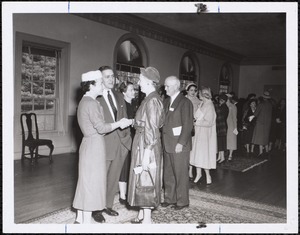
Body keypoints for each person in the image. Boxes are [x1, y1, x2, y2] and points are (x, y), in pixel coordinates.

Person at [72, 70, 131, 224]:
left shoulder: (85, 101)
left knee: (88, 184)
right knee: (92, 185)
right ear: (91, 86)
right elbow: (101, 128)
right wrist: (120, 123)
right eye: (99, 83)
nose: (102, 86)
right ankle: (85, 222)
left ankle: (82, 220)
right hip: (94, 147)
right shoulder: (91, 103)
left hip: (90, 145)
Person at [93, 66, 132, 222]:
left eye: (112, 76)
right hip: (103, 144)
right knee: (100, 178)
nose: (110, 79)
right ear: (100, 79)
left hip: (120, 144)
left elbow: (123, 117)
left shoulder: (118, 96)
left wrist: (126, 141)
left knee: (114, 177)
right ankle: (96, 208)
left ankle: (107, 205)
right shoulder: (95, 97)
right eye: (106, 76)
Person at [127, 67, 165, 224]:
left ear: (149, 82)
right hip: (142, 141)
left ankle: (147, 221)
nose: (138, 82)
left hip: (146, 144)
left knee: (146, 179)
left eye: (140, 80)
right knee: (141, 179)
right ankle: (143, 213)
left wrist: (147, 154)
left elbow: (151, 128)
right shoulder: (149, 98)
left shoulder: (153, 101)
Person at [161, 76, 194, 210]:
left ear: (176, 86)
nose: (165, 88)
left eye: (167, 86)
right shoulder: (166, 101)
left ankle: (182, 201)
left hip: (179, 145)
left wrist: (181, 143)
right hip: (167, 143)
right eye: (165, 86)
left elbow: (187, 125)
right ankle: (170, 199)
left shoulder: (185, 102)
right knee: (168, 173)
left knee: (180, 174)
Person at [189, 87, 217, 184]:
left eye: (199, 93)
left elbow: (209, 122)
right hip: (198, 133)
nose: (197, 94)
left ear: (204, 94)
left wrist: (196, 123)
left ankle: (208, 176)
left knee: (204, 155)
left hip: (205, 135)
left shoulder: (210, 106)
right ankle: (198, 174)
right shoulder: (202, 103)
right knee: (197, 154)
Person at [118, 82, 138, 205]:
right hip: (125, 139)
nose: (133, 92)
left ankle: (130, 191)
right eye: (131, 90)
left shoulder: (135, 105)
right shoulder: (122, 106)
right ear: (124, 92)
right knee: (124, 167)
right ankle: (122, 194)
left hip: (135, 138)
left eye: (133, 90)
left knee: (132, 165)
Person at [185, 83, 201, 180]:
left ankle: (190, 170)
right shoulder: (183, 99)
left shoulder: (198, 101)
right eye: (191, 90)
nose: (193, 92)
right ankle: (185, 168)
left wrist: (196, 120)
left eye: (194, 90)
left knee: (193, 148)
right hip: (185, 125)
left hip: (194, 126)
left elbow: (200, 113)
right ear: (187, 90)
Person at [250, 91, 273, 157]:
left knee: (260, 138)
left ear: (263, 97)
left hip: (260, 123)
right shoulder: (270, 105)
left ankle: (261, 152)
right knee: (265, 138)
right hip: (267, 124)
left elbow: (255, 114)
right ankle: (267, 151)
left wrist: (253, 109)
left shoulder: (261, 104)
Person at [215, 93, 229, 163]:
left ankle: (222, 157)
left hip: (221, 126)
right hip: (222, 126)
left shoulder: (223, 107)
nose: (219, 101)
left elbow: (220, 116)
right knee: (220, 142)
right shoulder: (224, 107)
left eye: (221, 99)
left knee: (221, 142)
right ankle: (219, 157)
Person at [226, 93, 238, 161]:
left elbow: (234, 118)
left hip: (231, 126)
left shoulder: (233, 107)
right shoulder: (223, 105)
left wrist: (235, 128)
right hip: (225, 125)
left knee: (232, 140)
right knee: (226, 141)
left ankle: (230, 155)